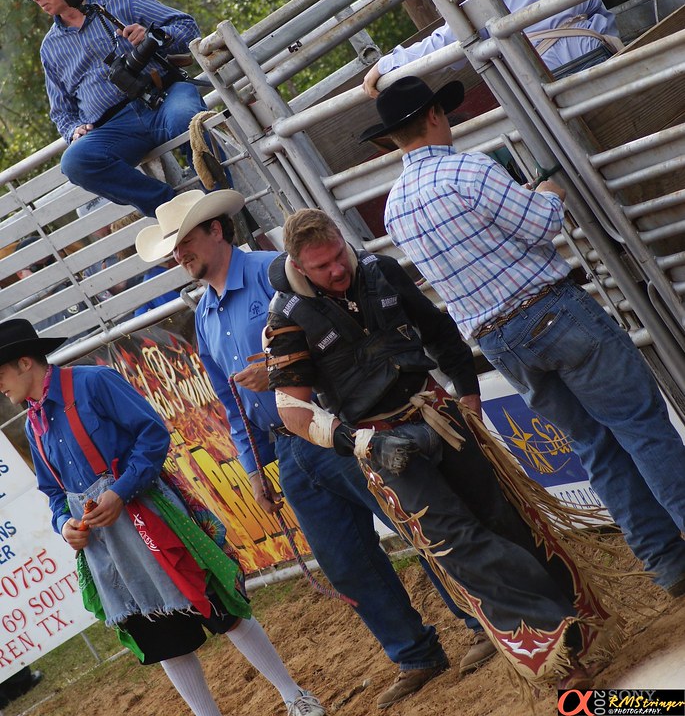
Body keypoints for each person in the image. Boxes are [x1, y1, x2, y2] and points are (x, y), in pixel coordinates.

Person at [135, 190, 496, 709]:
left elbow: (343, 331)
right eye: (173, 248)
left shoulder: (273, 272)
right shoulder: (206, 315)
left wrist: (283, 371)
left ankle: (476, 618)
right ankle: (415, 653)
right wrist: (254, 464)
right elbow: (231, 400)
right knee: (345, 559)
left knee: (415, 522)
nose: (178, 255)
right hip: (292, 448)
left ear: (216, 230)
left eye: (185, 240)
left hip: (337, 426)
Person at [263, 208, 618, 688]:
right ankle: (557, 642)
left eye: (338, 256)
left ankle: (572, 631)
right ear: (299, 267)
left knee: (502, 517)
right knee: (459, 543)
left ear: (343, 242)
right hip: (379, 439)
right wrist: (365, 442)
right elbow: (292, 410)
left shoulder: (380, 271)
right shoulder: (285, 321)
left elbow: (438, 328)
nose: (337, 270)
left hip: (437, 413)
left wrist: (467, 393)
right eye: (323, 266)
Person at [376, 74, 685, 602]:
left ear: (393, 137)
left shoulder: (394, 207)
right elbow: (542, 224)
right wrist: (547, 188)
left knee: (596, 446)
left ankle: (666, 562)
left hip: (500, 341)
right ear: (433, 116)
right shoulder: (468, 168)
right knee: (639, 427)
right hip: (550, 311)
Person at [0, 317, 326, 716]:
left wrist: (120, 492)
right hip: (110, 546)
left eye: (0, 372)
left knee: (220, 608)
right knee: (162, 638)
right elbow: (53, 492)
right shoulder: (35, 423)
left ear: (24, 363)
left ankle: (294, 695)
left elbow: (153, 434)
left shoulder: (93, 383)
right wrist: (64, 525)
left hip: (155, 518)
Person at [5, 0, 207, 218]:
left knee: (185, 118)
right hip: (115, 127)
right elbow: (62, 113)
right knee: (76, 162)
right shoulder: (50, 48)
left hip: (164, 97)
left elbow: (188, 28)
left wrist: (155, 36)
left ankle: (219, 195)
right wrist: (74, 130)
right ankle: (172, 209)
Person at [362, 0, 622, 97]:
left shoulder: (480, 6)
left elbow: (442, 45)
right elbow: (601, 13)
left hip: (553, 87)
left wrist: (386, 66)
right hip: (612, 64)